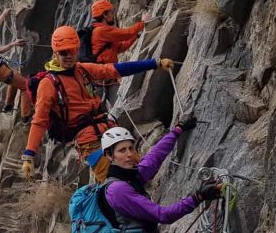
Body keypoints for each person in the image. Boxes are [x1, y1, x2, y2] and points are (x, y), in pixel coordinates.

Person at [21, 26, 174, 182]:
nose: (69, 56)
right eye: (63, 52)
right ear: (55, 53)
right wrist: (29, 155)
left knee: (137, 168)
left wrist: (154, 63)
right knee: (111, 181)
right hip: (88, 140)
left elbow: (114, 70)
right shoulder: (48, 84)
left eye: (72, 51)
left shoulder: (81, 69)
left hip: (107, 127)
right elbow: (40, 120)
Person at [90, 0, 151, 64]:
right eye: (111, 12)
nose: (113, 15)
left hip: (107, 70)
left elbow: (121, 47)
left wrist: (136, 35)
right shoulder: (101, 30)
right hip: (105, 71)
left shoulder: (99, 31)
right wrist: (143, 22)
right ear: (105, 14)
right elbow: (127, 33)